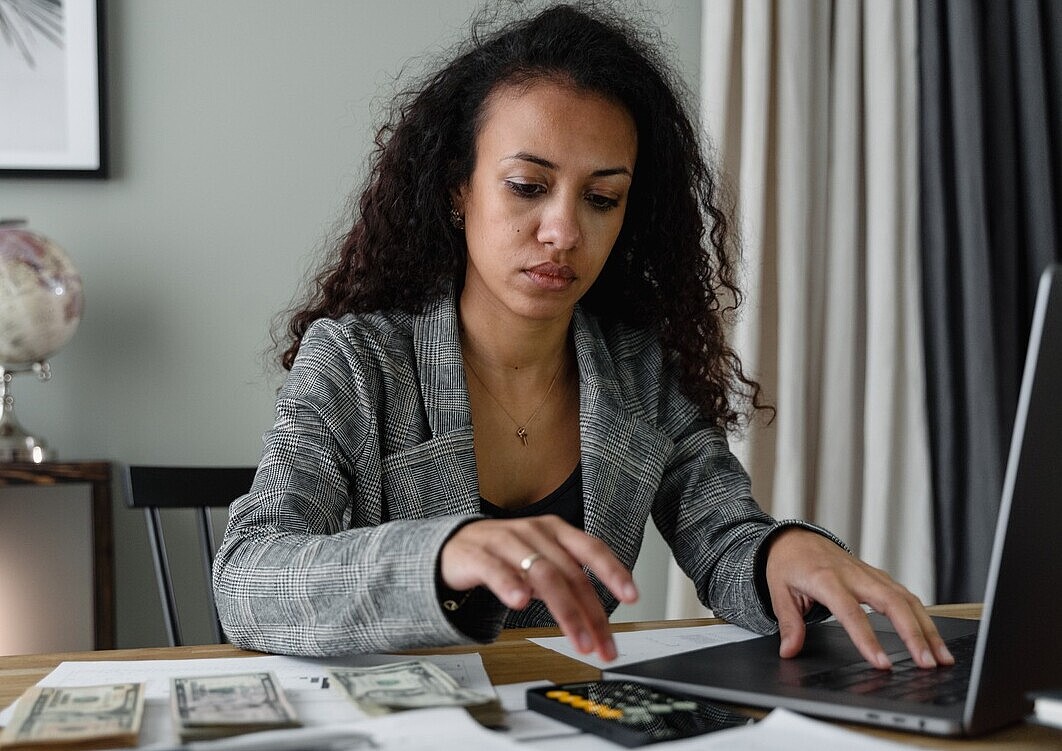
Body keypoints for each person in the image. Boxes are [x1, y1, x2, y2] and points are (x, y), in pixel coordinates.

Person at [213, 2, 953, 671]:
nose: (565, 231)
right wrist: (439, 556)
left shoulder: (637, 371)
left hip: (571, 720)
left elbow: (724, 537)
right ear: (457, 188)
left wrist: (783, 550)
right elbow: (247, 574)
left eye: (602, 198)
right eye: (528, 186)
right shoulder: (357, 362)